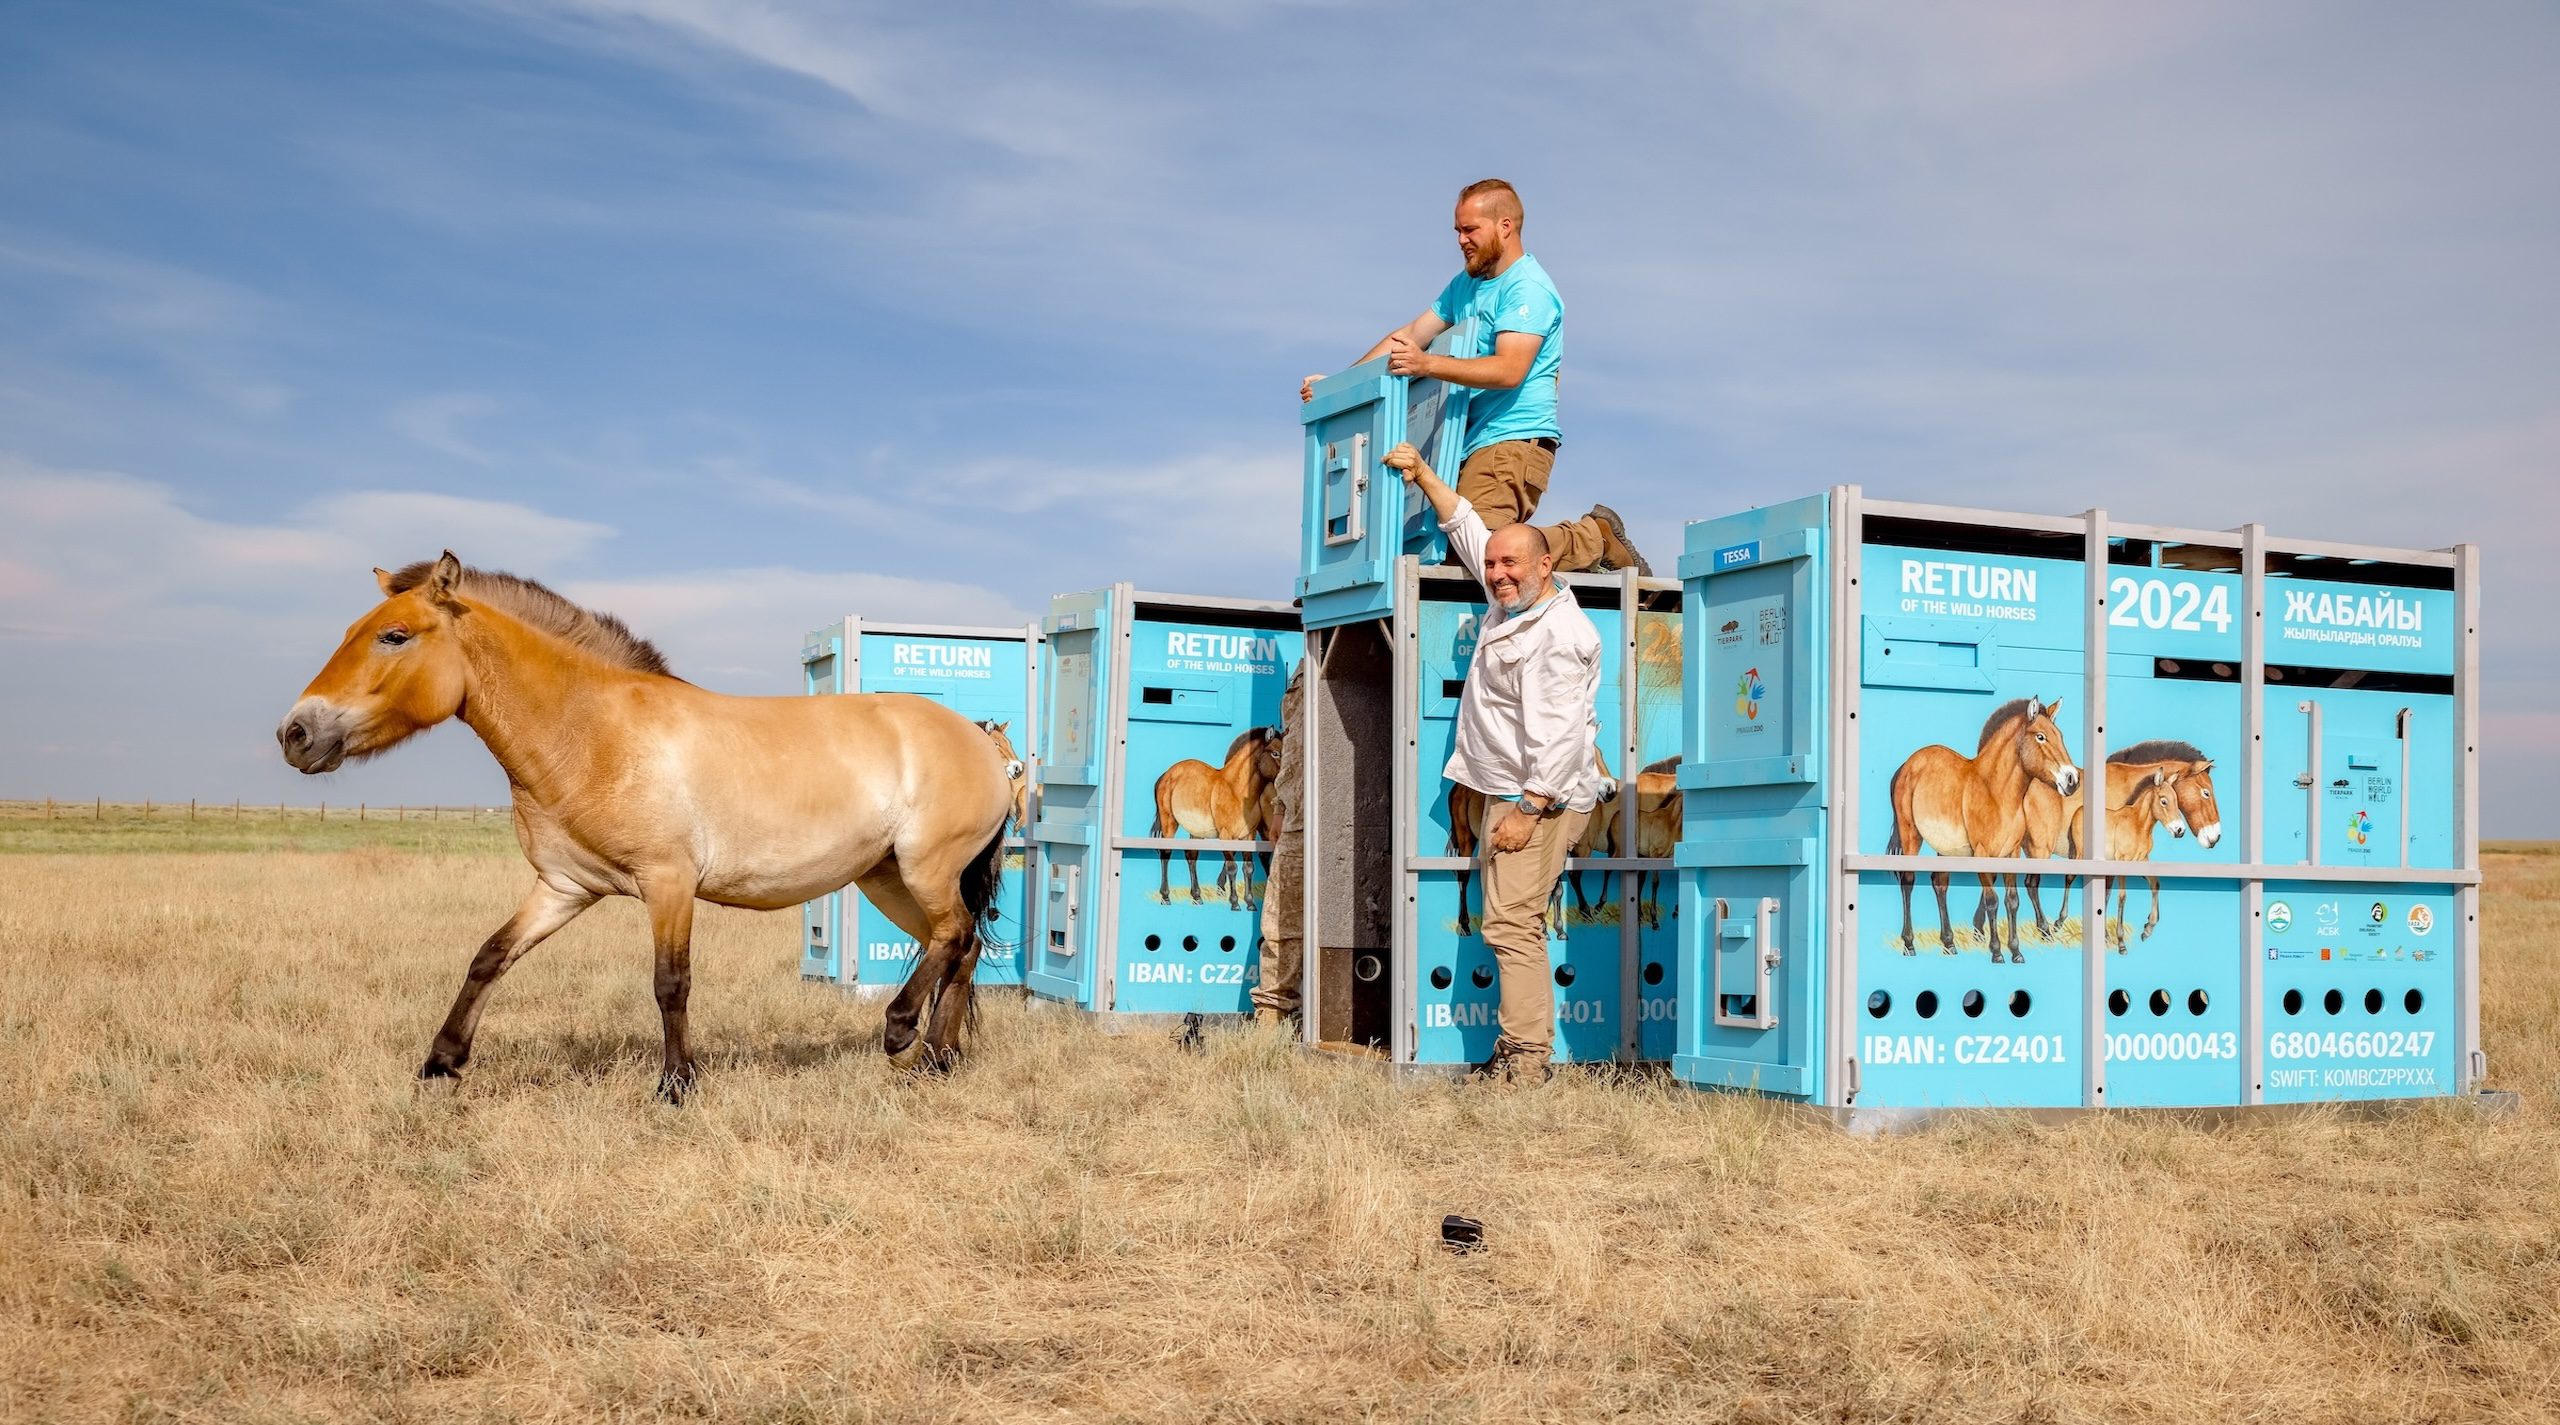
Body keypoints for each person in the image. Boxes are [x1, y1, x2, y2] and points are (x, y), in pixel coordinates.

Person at [1385, 438, 1605, 1084]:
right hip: (1508, 789)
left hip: (1538, 796)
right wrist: (1423, 473)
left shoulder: (1558, 636)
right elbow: (1467, 525)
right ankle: (1519, 1052)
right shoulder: (1511, 598)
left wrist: (1530, 809)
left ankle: (1526, 1060)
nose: (1498, 572)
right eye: (1494, 565)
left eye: (1512, 564)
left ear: (1546, 567)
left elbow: (1562, 735)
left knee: (1512, 922)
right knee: (1509, 919)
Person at [1300, 178, 1648, 577]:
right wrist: (1338, 387)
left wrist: (1426, 365)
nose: (1462, 240)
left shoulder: (1528, 288)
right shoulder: (1466, 285)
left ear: (1505, 226)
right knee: (1454, 549)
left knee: (1483, 550)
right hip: (1466, 442)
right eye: (1458, 231)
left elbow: (1509, 370)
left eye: (1470, 230)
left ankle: (1595, 538)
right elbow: (1411, 336)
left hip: (1512, 439)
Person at [1249, 659, 1303, 1029]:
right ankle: (1272, 1020)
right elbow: (1292, 747)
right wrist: (1280, 807)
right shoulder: (1304, 666)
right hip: (1299, 817)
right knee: (1280, 918)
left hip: (1353, 817)